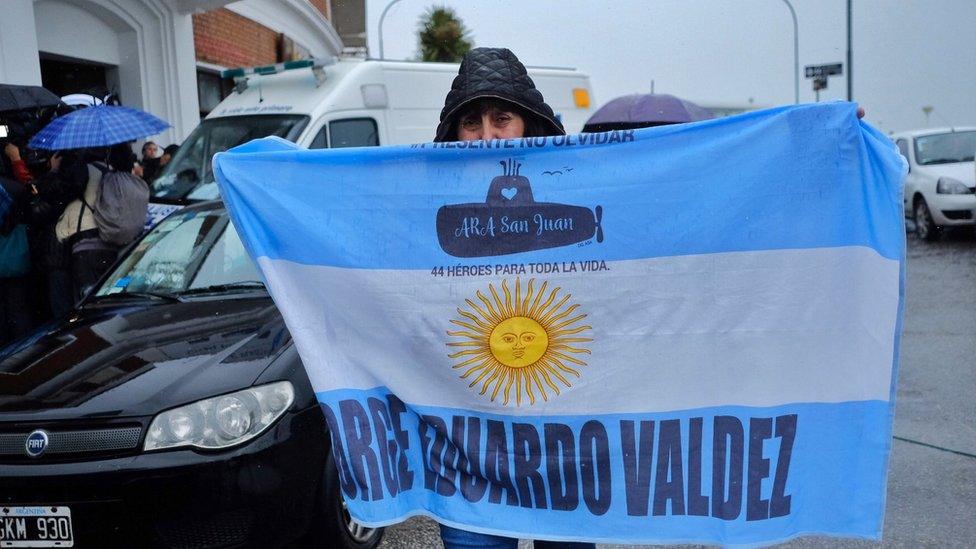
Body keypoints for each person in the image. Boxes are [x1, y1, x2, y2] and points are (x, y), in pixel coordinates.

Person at [431, 47, 594, 549]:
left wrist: (828, 129)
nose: (487, 136)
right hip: (469, 454)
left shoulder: (580, 192)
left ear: (528, 126)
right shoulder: (427, 207)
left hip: (564, 448)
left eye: (502, 118)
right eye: (471, 123)